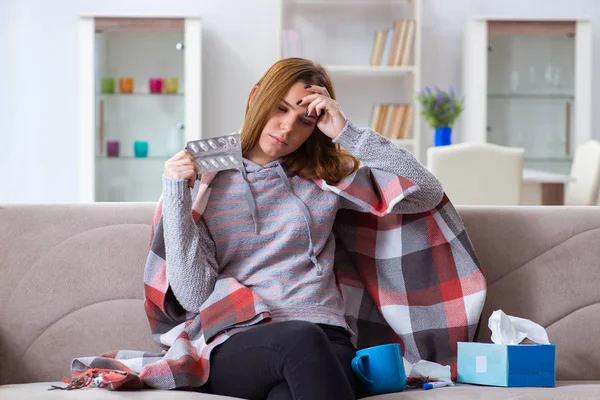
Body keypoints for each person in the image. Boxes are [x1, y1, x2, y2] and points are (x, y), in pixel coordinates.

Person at [161, 57, 444, 400]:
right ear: (255, 98)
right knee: (300, 340)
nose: (285, 128)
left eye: (304, 121)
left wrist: (346, 132)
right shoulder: (206, 180)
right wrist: (176, 191)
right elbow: (192, 294)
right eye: (279, 109)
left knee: (289, 390)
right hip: (238, 337)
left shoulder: (326, 176)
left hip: (326, 334)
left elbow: (426, 193)